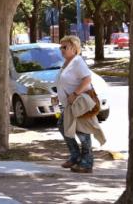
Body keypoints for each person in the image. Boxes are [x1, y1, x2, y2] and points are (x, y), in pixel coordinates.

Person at [55, 35, 104, 174]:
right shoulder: (67, 63)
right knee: (63, 126)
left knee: (83, 130)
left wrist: (75, 94)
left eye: (65, 47)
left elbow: (87, 79)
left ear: (74, 48)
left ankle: (87, 162)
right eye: (61, 47)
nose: (62, 50)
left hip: (80, 103)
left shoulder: (77, 61)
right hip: (70, 104)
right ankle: (76, 156)